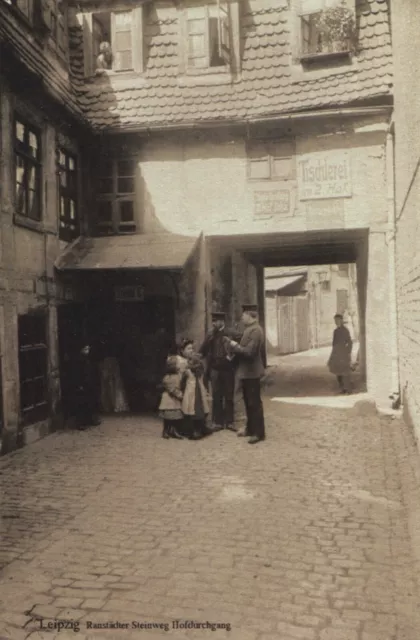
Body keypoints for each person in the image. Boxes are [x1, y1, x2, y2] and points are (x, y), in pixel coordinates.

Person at [225, 304, 266, 444]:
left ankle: (259, 433)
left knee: (254, 403)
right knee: (249, 402)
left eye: (244, 315)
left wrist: (234, 346)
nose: (242, 317)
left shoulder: (256, 331)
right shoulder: (249, 329)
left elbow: (250, 352)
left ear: (250, 315)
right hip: (247, 372)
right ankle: (250, 428)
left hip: (252, 372)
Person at [199, 311, 240, 432]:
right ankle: (217, 422)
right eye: (213, 321)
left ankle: (230, 422)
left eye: (215, 321)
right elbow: (203, 350)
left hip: (228, 369)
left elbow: (240, 348)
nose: (213, 323)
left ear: (222, 321)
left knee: (229, 395)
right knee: (216, 395)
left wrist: (232, 358)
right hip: (215, 369)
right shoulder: (210, 334)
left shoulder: (231, 333)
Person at [181, 354, 212, 440]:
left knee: (192, 410)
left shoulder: (188, 371)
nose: (188, 362)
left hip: (192, 392)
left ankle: (195, 430)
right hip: (196, 392)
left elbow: (182, 382)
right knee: (198, 410)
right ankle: (198, 429)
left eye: (190, 360)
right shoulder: (199, 370)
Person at [74, 344, 101, 430]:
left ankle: (90, 420)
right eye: (85, 349)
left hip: (90, 384)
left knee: (91, 402)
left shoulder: (89, 360)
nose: (87, 350)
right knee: (82, 404)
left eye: (88, 349)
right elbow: (76, 374)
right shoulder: (78, 361)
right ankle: (81, 423)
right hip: (82, 385)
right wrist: (79, 385)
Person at [158, 356, 184, 439]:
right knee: (168, 417)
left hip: (174, 399)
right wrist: (180, 395)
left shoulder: (178, 375)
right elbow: (171, 389)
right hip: (169, 399)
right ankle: (165, 431)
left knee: (175, 417)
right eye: (179, 364)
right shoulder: (168, 377)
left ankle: (173, 430)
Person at [327, 313, 353, 394]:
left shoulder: (345, 330)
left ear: (341, 321)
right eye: (335, 320)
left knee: (345, 372)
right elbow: (334, 344)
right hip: (336, 354)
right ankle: (342, 388)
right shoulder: (335, 331)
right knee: (338, 372)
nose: (336, 322)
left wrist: (348, 351)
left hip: (343, 354)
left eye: (338, 320)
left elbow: (350, 342)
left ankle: (347, 389)